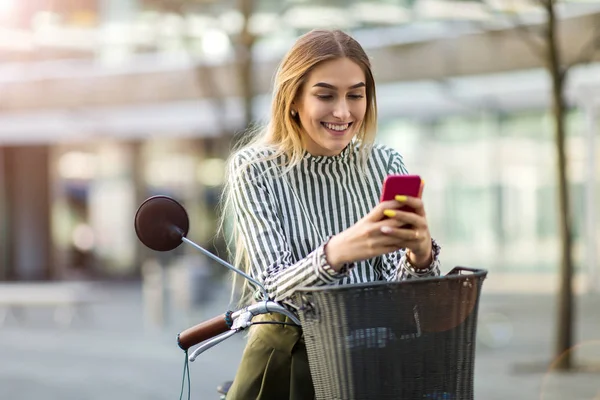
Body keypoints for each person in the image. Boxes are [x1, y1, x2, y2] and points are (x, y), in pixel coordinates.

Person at [221, 29, 441, 400]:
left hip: (376, 367)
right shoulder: (254, 168)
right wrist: (338, 252)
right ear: (293, 99)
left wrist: (419, 256)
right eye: (325, 95)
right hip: (294, 369)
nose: (343, 111)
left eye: (355, 95)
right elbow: (273, 285)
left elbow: (401, 301)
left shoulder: (384, 163)